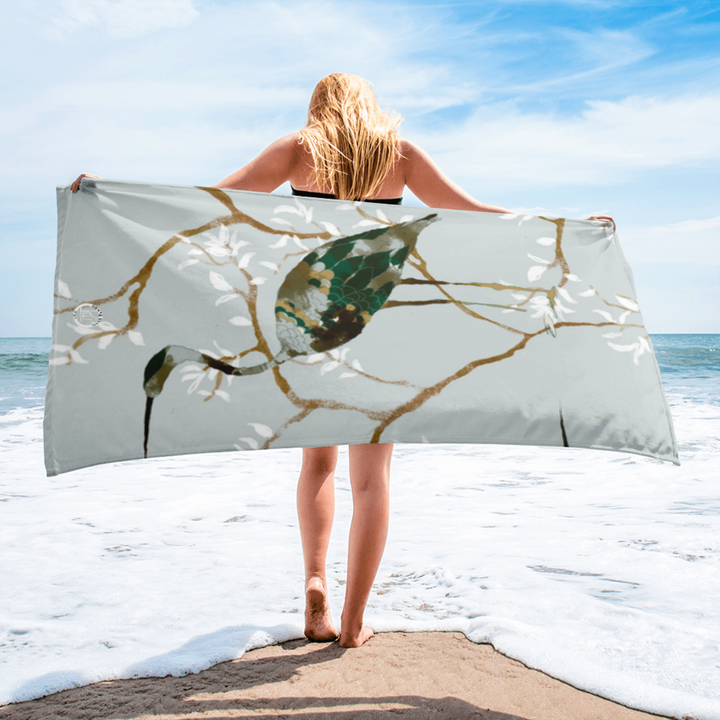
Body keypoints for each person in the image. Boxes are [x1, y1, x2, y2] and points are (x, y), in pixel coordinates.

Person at [72, 72, 614, 648]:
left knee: (317, 466)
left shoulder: (297, 150)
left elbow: (208, 204)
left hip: (312, 321)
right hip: (380, 324)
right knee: (373, 482)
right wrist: (570, 231)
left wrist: (112, 193)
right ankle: (354, 624)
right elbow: (476, 213)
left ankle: (314, 584)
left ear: (318, 107)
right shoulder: (399, 154)